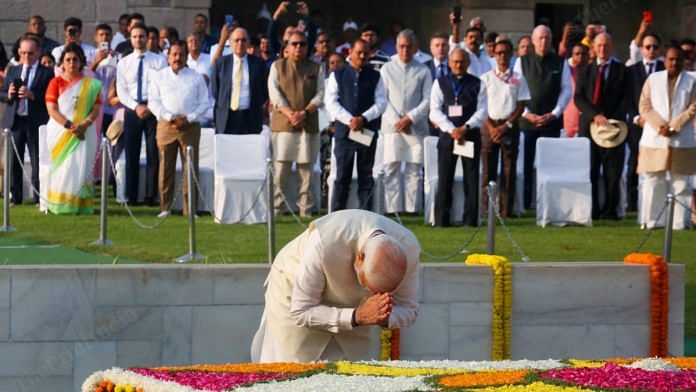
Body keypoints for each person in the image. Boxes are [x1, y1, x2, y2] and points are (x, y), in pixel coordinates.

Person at [250, 209, 420, 362]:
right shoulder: (324, 241)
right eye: (368, 286)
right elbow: (301, 310)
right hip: (294, 295)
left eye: (381, 293)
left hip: (357, 321)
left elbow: (409, 309)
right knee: (289, 375)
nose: (370, 295)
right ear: (359, 257)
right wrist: (357, 316)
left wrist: (385, 316)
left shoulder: (409, 249)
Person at [148, 40, 210, 218]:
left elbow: (204, 102)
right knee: (165, 167)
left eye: (181, 55)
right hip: (166, 125)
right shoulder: (159, 76)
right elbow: (154, 102)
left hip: (189, 126)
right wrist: (170, 117)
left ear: (186, 57)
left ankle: (190, 209)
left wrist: (188, 118)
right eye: (174, 54)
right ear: (167, 57)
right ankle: (165, 208)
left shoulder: (196, 77)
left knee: (190, 167)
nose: (177, 58)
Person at [574, 33, 632, 221]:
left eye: (606, 46)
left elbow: (627, 98)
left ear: (611, 47)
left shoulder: (622, 71)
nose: (602, 49)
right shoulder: (585, 71)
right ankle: (592, 211)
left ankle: (610, 211)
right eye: (599, 46)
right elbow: (579, 98)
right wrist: (595, 115)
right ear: (593, 48)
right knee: (589, 170)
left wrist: (610, 119)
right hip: (589, 128)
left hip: (614, 129)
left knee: (612, 173)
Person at [638, 46, 696, 229]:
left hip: (682, 138)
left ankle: (680, 223)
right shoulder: (653, 79)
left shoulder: (692, 80)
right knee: (654, 180)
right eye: (671, 59)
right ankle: (654, 221)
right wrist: (660, 126)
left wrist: (674, 126)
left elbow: (693, 107)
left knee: (681, 181)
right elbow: (644, 106)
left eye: (678, 59)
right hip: (655, 138)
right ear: (665, 61)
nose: (674, 63)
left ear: (683, 61)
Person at [514, 25, 571, 210]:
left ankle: (550, 202)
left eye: (547, 37)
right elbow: (516, 89)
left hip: (551, 122)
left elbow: (566, 90)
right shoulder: (521, 62)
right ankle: (526, 201)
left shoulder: (561, 62)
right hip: (527, 122)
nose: (544, 41)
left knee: (550, 165)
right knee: (526, 165)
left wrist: (555, 113)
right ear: (533, 40)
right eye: (540, 38)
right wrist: (526, 113)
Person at [325, 38, 387, 212]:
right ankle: (337, 216)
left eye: (365, 53)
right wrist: (350, 120)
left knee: (365, 177)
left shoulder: (375, 75)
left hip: (366, 131)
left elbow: (381, 103)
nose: (362, 56)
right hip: (345, 133)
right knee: (341, 177)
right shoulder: (338, 74)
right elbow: (331, 102)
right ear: (350, 52)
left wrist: (363, 118)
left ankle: (366, 216)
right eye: (358, 52)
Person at [268, 31, 324, 217]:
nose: (298, 47)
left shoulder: (316, 68)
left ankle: (305, 211)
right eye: (294, 44)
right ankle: (277, 210)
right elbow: (274, 94)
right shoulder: (277, 66)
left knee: (306, 171)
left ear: (307, 47)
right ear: (287, 46)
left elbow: (320, 94)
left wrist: (304, 113)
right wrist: (291, 113)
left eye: (302, 44)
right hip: (284, 125)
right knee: (281, 169)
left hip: (308, 125)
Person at [429, 48, 487, 227]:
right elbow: (434, 110)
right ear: (449, 62)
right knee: (445, 177)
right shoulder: (440, 83)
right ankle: (441, 220)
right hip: (447, 137)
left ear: (468, 63)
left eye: (462, 62)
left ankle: (470, 220)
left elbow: (483, 111)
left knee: (471, 179)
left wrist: (465, 127)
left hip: (470, 136)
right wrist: (451, 129)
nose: (459, 65)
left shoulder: (478, 83)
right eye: (455, 62)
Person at [44, 43, 102, 214]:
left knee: (81, 167)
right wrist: (70, 126)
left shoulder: (92, 84)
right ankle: (62, 206)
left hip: (85, 131)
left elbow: (96, 108)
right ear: (62, 62)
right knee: (64, 168)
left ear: (81, 62)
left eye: (75, 59)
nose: (71, 63)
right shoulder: (55, 82)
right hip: (61, 132)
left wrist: (84, 125)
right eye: (68, 59)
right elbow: (51, 110)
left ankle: (81, 206)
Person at [379, 29, 432, 215]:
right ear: (396, 46)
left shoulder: (423, 69)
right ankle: (392, 209)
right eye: (401, 46)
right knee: (391, 168)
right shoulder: (386, 68)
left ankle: (412, 209)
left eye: (409, 47)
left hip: (415, 127)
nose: (405, 50)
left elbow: (428, 100)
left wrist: (410, 118)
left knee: (414, 170)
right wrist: (397, 121)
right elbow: (382, 98)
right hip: (392, 127)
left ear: (415, 48)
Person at [116, 24, 167, 206]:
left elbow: (162, 86)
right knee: (132, 154)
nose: (139, 39)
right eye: (135, 36)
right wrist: (136, 107)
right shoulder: (124, 63)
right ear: (130, 39)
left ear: (148, 38)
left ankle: (150, 196)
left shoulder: (159, 61)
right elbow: (121, 91)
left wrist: (150, 106)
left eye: (142, 36)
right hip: (132, 110)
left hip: (153, 110)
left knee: (154, 154)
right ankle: (131, 196)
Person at [1, 35, 54, 206]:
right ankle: (15, 197)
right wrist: (8, 95)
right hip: (16, 121)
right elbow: (2, 93)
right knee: (13, 161)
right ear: (18, 52)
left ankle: (39, 196)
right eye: (23, 53)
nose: (26, 57)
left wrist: (32, 95)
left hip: (36, 121)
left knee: (37, 160)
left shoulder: (46, 72)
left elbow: (50, 97)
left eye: (30, 53)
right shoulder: (13, 70)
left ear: (38, 52)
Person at [480, 39, 529, 218]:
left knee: (509, 170)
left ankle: (506, 211)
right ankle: (487, 211)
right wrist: (492, 127)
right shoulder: (486, 78)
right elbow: (481, 106)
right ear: (494, 54)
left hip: (509, 126)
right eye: (499, 52)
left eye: (506, 53)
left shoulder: (518, 78)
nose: (502, 56)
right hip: (489, 126)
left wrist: (506, 125)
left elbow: (521, 105)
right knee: (488, 171)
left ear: (511, 54)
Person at [627, 33, 664, 212]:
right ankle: (633, 203)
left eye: (655, 47)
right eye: (647, 47)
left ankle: (659, 203)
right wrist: (636, 118)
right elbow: (627, 98)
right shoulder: (631, 70)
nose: (651, 50)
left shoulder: (665, 69)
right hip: (637, 124)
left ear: (660, 49)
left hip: (659, 126)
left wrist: (656, 122)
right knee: (634, 162)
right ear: (641, 49)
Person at [210, 27, 268, 134]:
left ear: (248, 43)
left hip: (250, 118)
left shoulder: (258, 64)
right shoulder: (221, 63)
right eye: (237, 40)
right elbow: (215, 90)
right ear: (230, 43)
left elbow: (264, 90)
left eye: (243, 40)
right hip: (227, 118)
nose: (240, 43)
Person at [88, 24, 118, 136]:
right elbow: (84, 76)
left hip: (111, 108)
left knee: (110, 142)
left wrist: (116, 61)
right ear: (96, 37)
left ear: (111, 37)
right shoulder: (89, 55)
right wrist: (96, 61)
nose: (104, 37)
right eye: (101, 35)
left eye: (107, 34)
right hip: (93, 108)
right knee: (95, 143)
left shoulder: (118, 56)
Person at [563, 43, 589, 138]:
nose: (580, 56)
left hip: (588, 122)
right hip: (568, 123)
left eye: (583, 54)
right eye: (577, 54)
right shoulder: (566, 73)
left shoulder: (594, 73)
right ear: (572, 56)